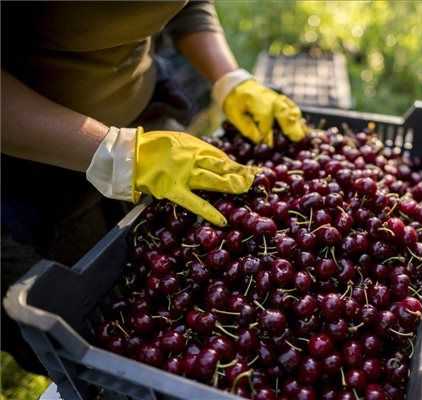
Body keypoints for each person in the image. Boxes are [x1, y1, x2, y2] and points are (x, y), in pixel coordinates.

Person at [0, 1, 305, 373]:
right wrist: (120, 153)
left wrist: (230, 77)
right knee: (76, 328)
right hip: (27, 162)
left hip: (137, 112)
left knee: (147, 285)